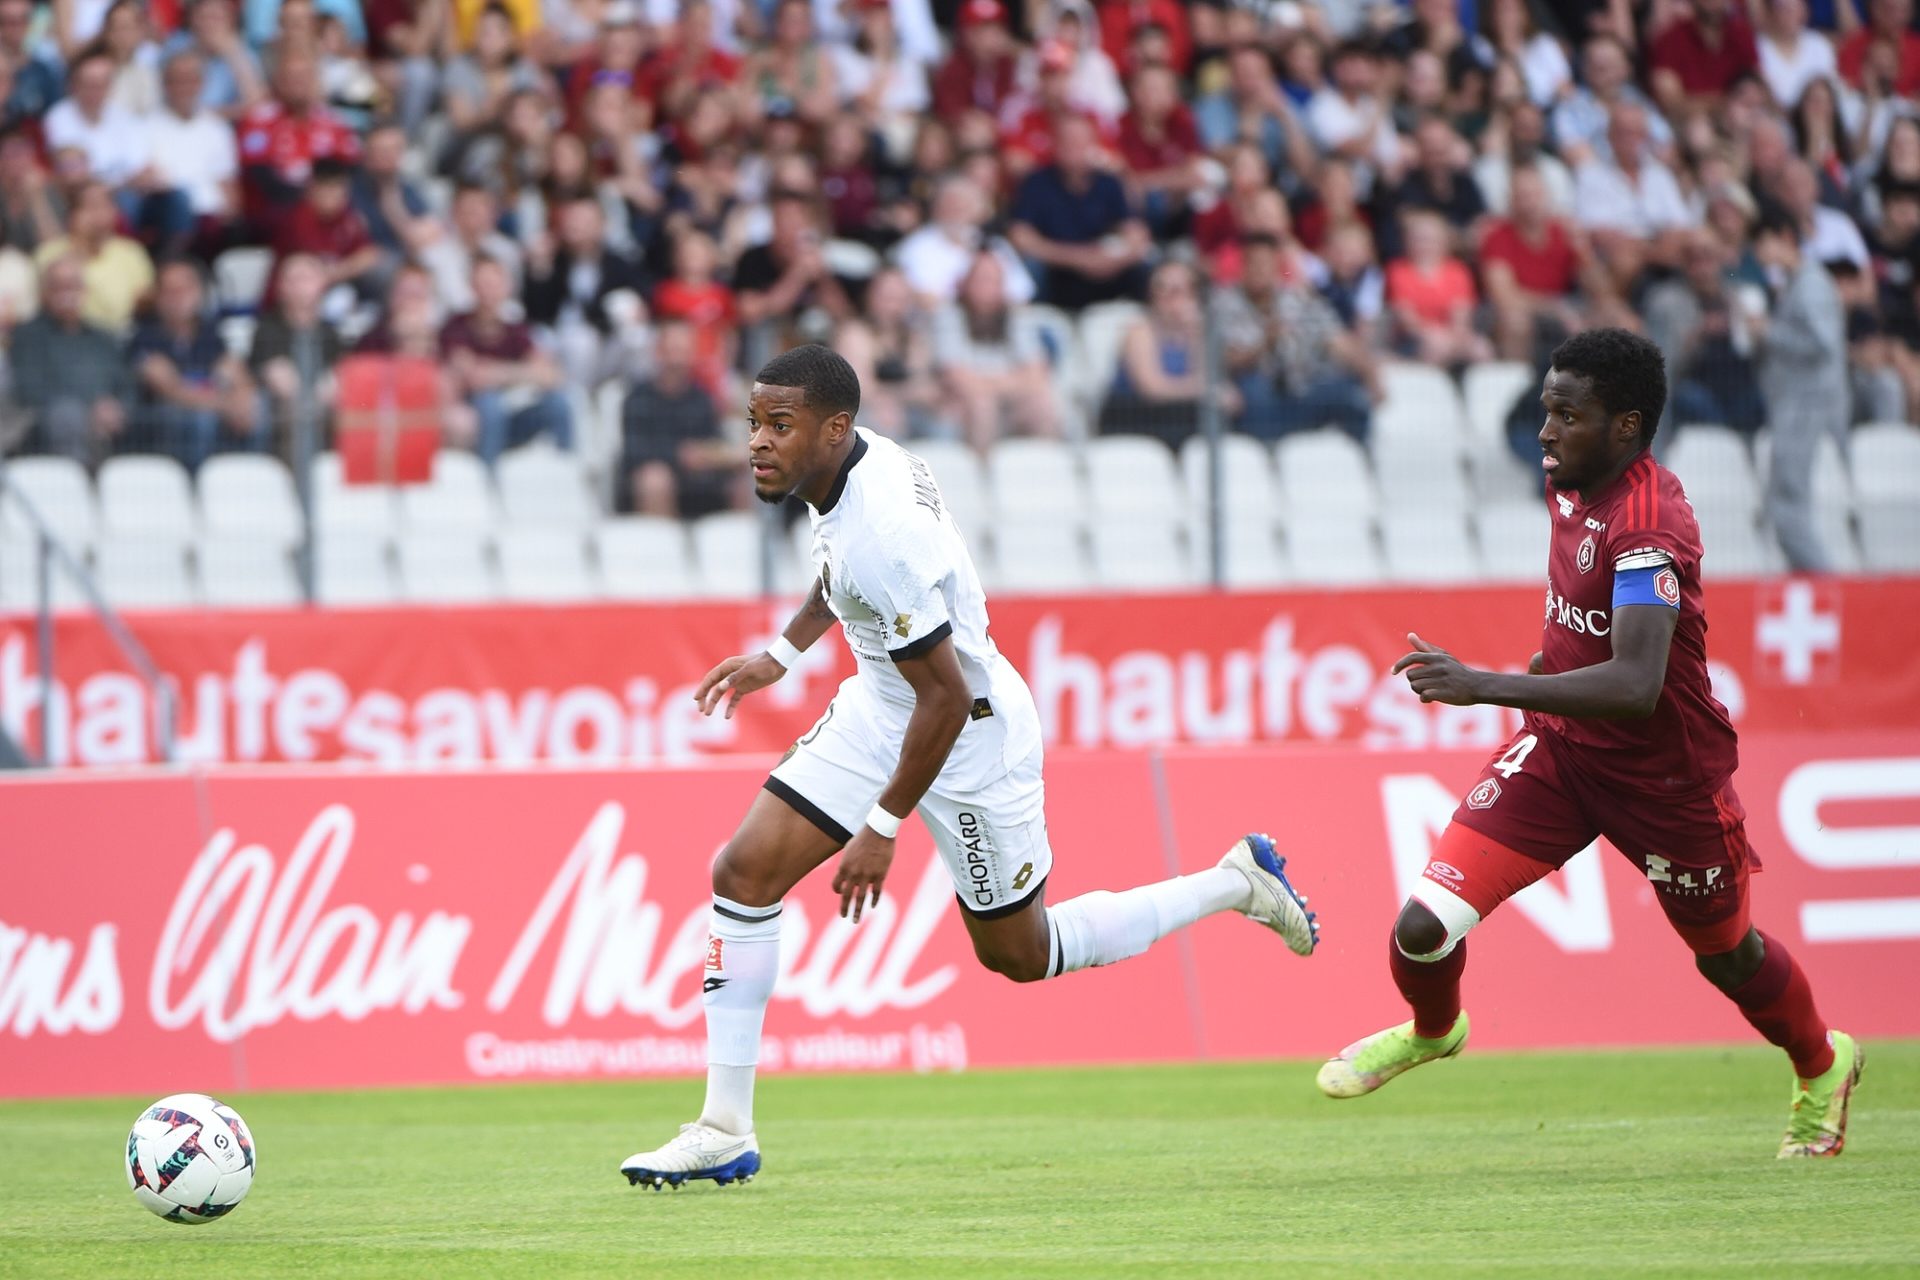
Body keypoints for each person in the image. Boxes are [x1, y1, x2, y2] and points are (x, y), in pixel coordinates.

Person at [618, 344, 1319, 1190]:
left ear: (834, 429)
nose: (758, 442)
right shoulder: (850, 469)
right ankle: (724, 1128)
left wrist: (881, 828)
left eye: (779, 425)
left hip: (970, 737)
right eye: (754, 422)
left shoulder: (884, 533)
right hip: (883, 709)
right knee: (743, 872)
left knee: (1021, 953)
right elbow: (840, 578)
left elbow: (944, 697)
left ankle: (1235, 882)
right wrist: (782, 653)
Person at [1315, 328, 1863, 1161]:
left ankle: (1823, 1064)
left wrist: (1485, 684)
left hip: (1667, 784)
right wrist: (1550, 667)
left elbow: (1636, 684)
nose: (1545, 431)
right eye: (1547, 409)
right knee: (1422, 927)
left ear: (1625, 427)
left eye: (1566, 416)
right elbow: (1584, 622)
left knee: (1727, 957)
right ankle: (1434, 1031)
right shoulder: (1568, 483)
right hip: (1565, 757)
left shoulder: (1649, 527)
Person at [1753, 206, 1848, 571]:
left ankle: (1826, 585)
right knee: (1784, 505)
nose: (1759, 253)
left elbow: (1825, 345)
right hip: (1796, 405)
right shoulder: (1796, 283)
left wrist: (1769, 332)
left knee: (1788, 504)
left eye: (1762, 242)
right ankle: (1813, 583)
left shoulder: (1810, 284)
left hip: (1807, 407)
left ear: (1785, 238)